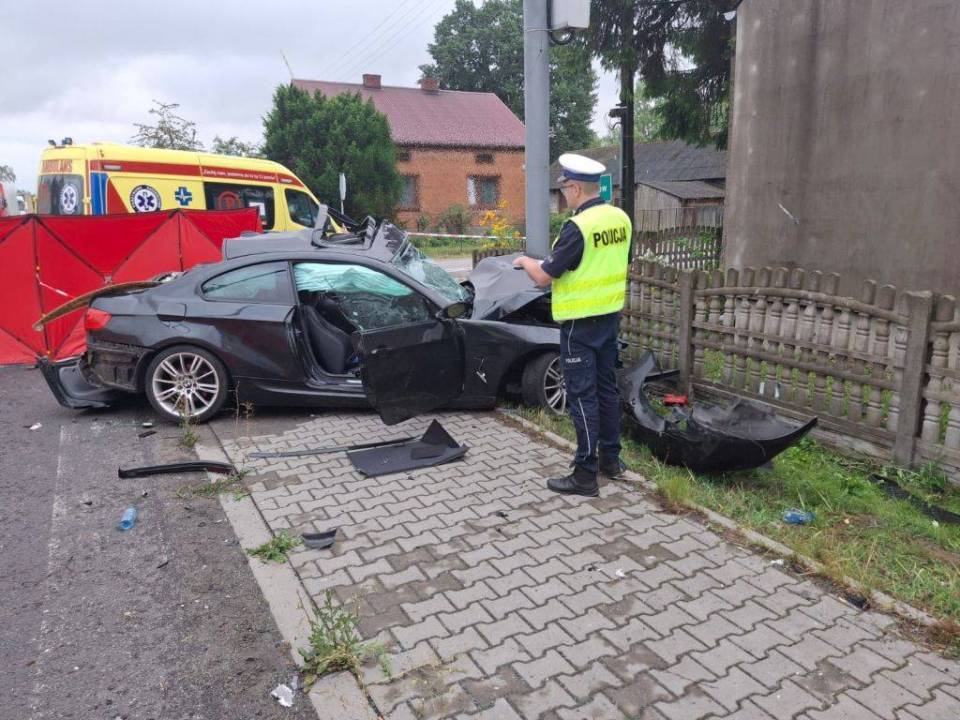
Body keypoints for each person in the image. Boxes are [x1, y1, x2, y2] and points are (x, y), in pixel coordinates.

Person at [513, 153, 632, 497]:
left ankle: (584, 475)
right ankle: (611, 461)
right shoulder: (620, 218)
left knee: (581, 396)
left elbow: (543, 277)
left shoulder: (578, 227)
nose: (564, 194)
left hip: (579, 325)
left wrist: (524, 261)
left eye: (565, 188)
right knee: (606, 390)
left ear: (576, 188)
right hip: (609, 318)